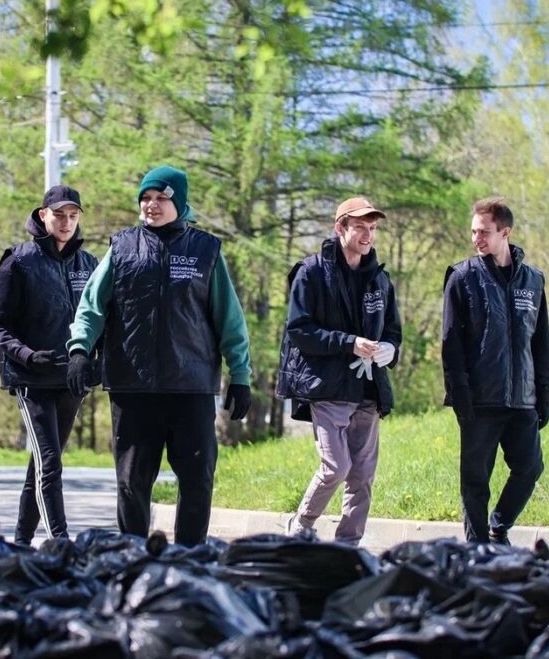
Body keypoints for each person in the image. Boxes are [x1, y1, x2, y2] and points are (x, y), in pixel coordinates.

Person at [66, 165, 252, 547]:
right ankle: (134, 557)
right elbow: (91, 306)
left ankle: (189, 556)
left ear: (179, 203)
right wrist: (80, 349)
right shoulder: (121, 248)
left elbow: (230, 319)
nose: (152, 205)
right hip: (132, 386)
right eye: (146, 198)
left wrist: (241, 374)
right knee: (132, 481)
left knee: (198, 479)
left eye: (161, 198)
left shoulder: (205, 251)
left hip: (191, 387)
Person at [276, 196, 402, 546]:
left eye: (372, 228)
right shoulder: (311, 272)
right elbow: (299, 330)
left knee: (362, 475)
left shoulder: (380, 279)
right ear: (340, 227)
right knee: (337, 467)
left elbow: (392, 330)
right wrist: (348, 342)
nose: (367, 235)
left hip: (368, 389)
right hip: (327, 388)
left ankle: (348, 544)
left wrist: (390, 350)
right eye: (360, 226)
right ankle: (301, 523)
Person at [0, 185, 99, 546]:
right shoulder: (18, 260)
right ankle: (60, 541)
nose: (67, 222)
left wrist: (94, 361)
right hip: (31, 379)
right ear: (43, 215)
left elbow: (100, 319)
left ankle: (21, 542)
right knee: (50, 463)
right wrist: (28, 356)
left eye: (73, 215)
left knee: (41, 466)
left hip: (70, 379)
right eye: (59, 214)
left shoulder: (89, 263)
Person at [442, 196, 549, 545]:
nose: (477, 238)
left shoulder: (533, 281)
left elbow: (541, 342)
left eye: (485, 232)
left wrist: (544, 393)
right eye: (474, 231)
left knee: (530, 468)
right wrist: (459, 394)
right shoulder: (462, 277)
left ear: (505, 232)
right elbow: (450, 344)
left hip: (522, 399)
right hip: (479, 400)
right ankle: (477, 548)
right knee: (475, 479)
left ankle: (498, 527)